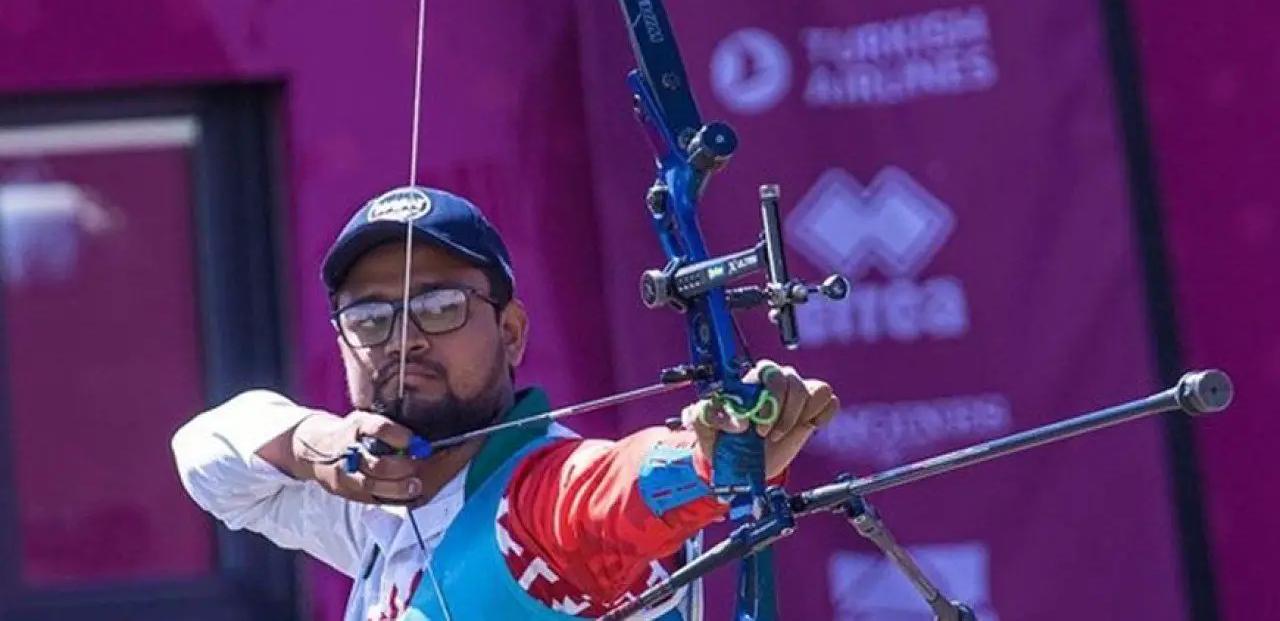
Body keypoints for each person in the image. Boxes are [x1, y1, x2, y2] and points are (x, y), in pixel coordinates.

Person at [171, 185, 840, 621]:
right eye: (370, 317)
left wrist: (706, 460)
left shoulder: (537, 497)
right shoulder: (375, 504)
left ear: (512, 331)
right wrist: (307, 442)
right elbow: (203, 455)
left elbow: (599, 498)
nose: (403, 338)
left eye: (440, 306)